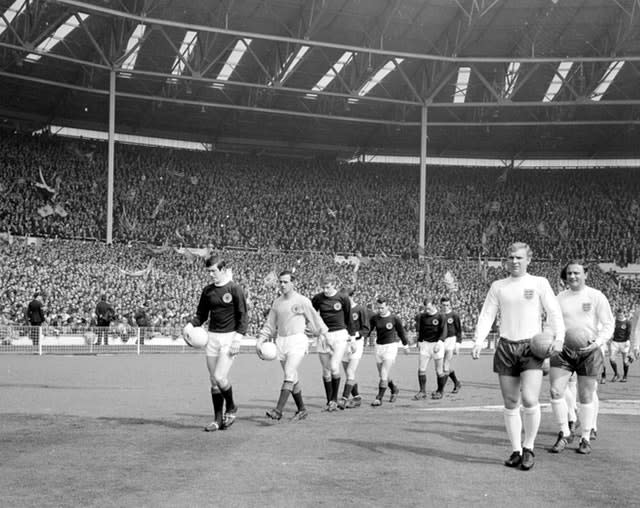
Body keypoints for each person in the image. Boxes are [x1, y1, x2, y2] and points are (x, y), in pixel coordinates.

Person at [472, 242, 565, 471]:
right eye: (511, 257)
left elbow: (553, 311)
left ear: (529, 260)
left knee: (531, 400)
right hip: (506, 347)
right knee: (511, 402)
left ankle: (529, 447)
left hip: (531, 347)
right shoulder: (498, 286)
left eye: (519, 258)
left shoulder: (539, 283)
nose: (514, 261)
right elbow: (487, 314)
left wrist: (559, 338)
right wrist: (478, 340)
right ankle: (516, 450)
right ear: (506, 259)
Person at [549, 260, 614, 456]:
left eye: (577, 273)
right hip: (564, 351)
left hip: (589, 351)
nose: (572, 276)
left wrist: (598, 342)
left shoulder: (596, 296)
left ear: (586, 274)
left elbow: (608, 324)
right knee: (555, 391)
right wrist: (550, 343)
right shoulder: (559, 298)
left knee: (586, 396)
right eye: (569, 273)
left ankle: (585, 437)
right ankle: (565, 432)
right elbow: (550, 323)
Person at [183, 256, 248, 432]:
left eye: (214, 271)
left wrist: (238, 340)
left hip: (230, 339)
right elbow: (201, 315)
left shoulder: (234, 289)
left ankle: (232, 407)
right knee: (213, 381)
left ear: (223, 269)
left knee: (220, 377)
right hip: (211, 338)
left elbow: (243, 316)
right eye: (209, 271)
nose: (211, 274)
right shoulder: (208, 291)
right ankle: (217, 420)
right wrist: (189, 326)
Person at [256, 270, 328, 421]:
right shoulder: (277, 302)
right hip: (281, 342)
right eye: (280, 282)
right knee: (292, 377)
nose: (282, 284)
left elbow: (315, 318)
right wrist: (261, 340)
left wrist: (324, 334)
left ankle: (278, 410)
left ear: (293, 283)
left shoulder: (302, 300)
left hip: (298, 341)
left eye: (285, 282)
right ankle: (302, 409)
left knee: (289, 372)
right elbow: (270, 324)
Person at [311, 274, 355, 412]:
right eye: (323, 287)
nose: (325, 290)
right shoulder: (317, 298)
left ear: (334, 284)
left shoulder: (343, 298)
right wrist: (317, 332)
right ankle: (329, 400)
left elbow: (349, 319)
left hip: (339, 334)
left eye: (328, 287)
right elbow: (312, 316)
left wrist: (352, 339)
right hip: (324, 335)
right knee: (325, 370)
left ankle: (334, 400)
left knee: (334, 366)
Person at [367, 296, 409, 406]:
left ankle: (379, 398)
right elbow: (368, 331)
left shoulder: (394, 318)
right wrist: (359, 339)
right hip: (379, 347)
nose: (380, 310)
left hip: (391, 346)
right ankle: (394, 389)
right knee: (382, 374)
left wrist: (405, 345)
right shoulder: (375, 318)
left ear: (387, 306)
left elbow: (401, 332)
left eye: (382, 308)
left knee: (384, 372)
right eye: (378, 308)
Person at [337, 289, 370, 409]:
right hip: (343, 344)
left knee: (350, 372)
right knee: (348, 373)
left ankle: (344, 399)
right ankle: (357, 398)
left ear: (351, 296)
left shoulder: (360, 309)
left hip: (356, 343)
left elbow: (366, 329)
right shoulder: (341, 310)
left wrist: (354, 335)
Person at [414, 297, 447, 400]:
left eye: (428, 308)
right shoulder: (421, 316)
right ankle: (422, 391)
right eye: (425, 308)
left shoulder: (441, 316)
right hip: (425, 345)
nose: (426, 310)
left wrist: (440, 342)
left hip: (437, 344)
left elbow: (444, 331)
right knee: (421, 369)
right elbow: (420, 331)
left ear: (434, 305)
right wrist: (419, 341)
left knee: (439, 370)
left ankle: (440, 391)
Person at [440, 296, 463, 394]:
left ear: (450, 305)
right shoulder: (439, 315)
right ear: (440, 305)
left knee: (445, 365)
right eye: (444, 305)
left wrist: (457, 344)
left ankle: (440, 390)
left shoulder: (454, 315)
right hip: (441, 341)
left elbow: (459, 330)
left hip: (451, 340)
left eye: (447, 305)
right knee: (442, 367)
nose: (446, 307)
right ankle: (457, 382)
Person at [609, 309, 632, 382]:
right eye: (618, 315)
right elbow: (610, 330)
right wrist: (610, 337)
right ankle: (616, 374)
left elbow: (628, 332)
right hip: (615, 342)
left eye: (621, 315)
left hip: (624, 343)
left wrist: (628, 340)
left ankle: (625, 376)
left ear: (624, 314)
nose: (619, 316)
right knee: (611, 359)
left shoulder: (628, 322)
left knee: (625, 361)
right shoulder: (614, 321)